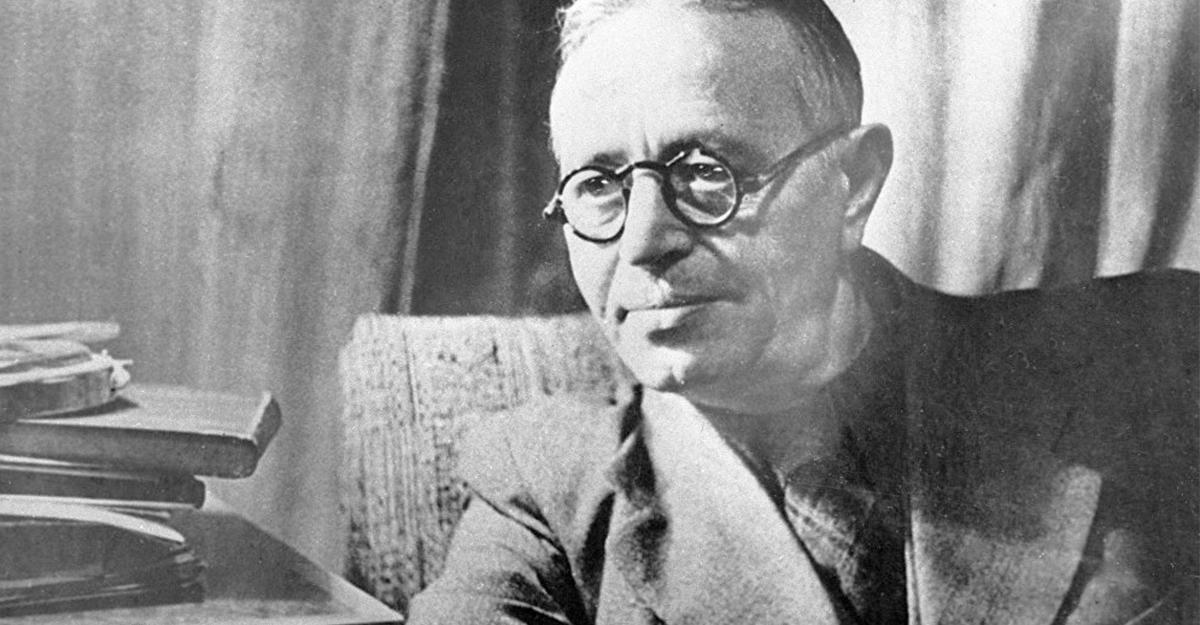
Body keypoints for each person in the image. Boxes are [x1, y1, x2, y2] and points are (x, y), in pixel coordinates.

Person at [409, 1, 1198, 623]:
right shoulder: (543, 489)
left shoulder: (1145, 358)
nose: (644, 241)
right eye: (598, 187)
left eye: (706, 172)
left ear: (853, 184)